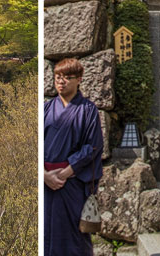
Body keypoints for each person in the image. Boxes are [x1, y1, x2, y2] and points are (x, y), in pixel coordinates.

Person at [44, 57, 103, 256]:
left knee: (74, 238)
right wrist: (44, 175)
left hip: (72, 183)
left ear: (79, 79)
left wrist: (65, 172)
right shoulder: (46, 108)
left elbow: (93, 147)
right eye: (58, 77)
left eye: (68, 77)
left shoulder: (88, 110)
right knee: (45, 234)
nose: (61, 81)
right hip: (45, 182)